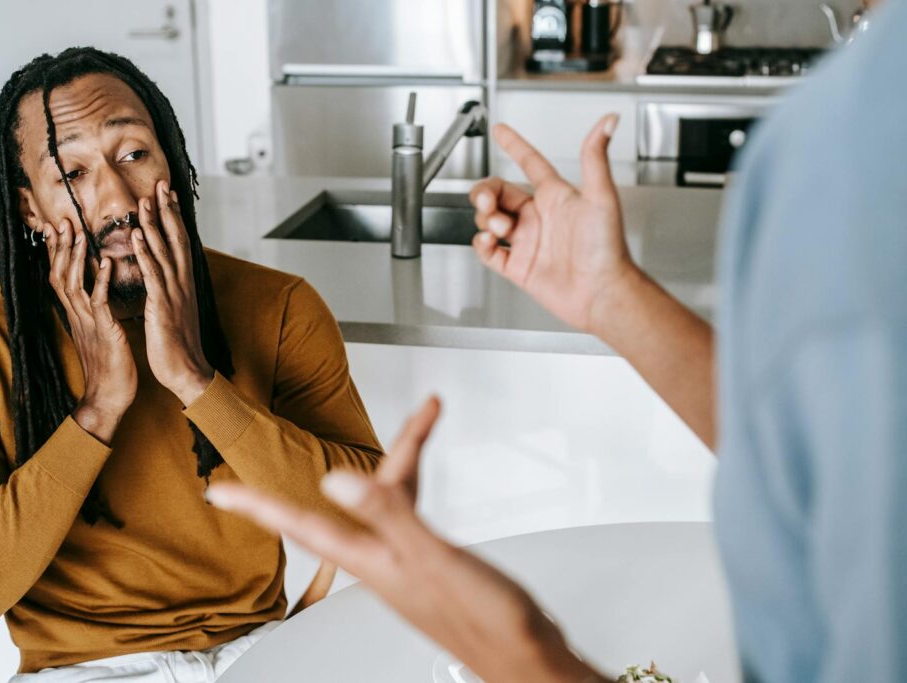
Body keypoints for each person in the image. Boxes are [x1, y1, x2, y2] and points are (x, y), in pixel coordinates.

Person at [207, 1, 907, 680]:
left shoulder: (853, 136)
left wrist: (521, 653)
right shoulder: (855, 114)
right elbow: (825, 454)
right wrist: (612, 296)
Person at [0, 47, 383, 680]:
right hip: (88, 670)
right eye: (72, 173)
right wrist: (96, 412)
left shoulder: (278, 306)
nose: (117, 196)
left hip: (258, 654)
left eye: (133, 154)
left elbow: (374, 528)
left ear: (173, 164)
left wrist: (196, 381)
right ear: (29, 210)